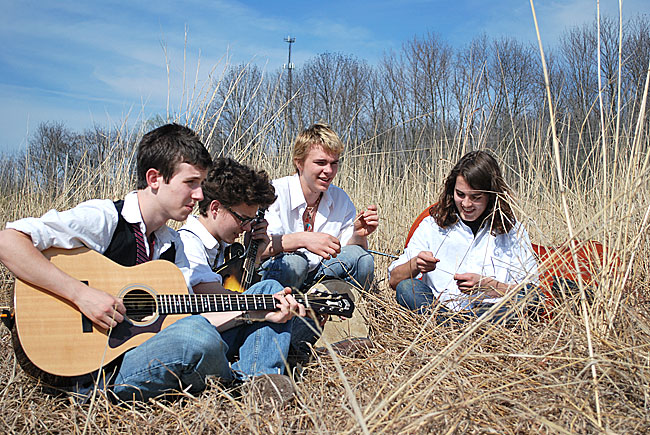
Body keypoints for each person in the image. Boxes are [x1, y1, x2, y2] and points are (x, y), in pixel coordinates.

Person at [0, 124, 303, 402]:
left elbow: (195, 309)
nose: (199, 195)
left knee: (268, 289)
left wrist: (255, 311)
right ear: (154, 179)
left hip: (152, 347)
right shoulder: (106, 218)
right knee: (197, 336)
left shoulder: (172, 243)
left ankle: (259, 382)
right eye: (191, 183)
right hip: (100, 370)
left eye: (200, 184)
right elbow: (8, 242)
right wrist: (81, 295)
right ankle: (236, 383)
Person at [178, 157, 306, 387]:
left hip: (220, 331)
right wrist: (265, 302)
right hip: (198, 338)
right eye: (243, 219)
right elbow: (216, 299)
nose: (246, 227)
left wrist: (254, 256)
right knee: (270, 290)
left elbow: (237, 293)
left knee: (274, 301)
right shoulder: (188, 243)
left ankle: (257, 376)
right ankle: (259, 380)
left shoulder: (223, 247)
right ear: (215, 208)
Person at [260, 122, 379, 358]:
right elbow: (261, 249)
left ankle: (351, 326)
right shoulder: (275, 193)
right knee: (296, 263)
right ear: (299, 162)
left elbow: (348, 254)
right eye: (320, 163)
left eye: (334, 163)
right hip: (284, 277)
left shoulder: (340, 198)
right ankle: (285, 337)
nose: (329, 171)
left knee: (362, 259)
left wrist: (359, 234)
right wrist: (304, 239)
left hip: (320, 275)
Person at [388, 150, 539, 322]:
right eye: (460, 194)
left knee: (520, 302)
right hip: (440, 310)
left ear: (491, 196)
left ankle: (455, 327)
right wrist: (416, 264)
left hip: (490, 314)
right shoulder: (432, 225)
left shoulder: (511, 229)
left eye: (476, 197)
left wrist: (489, 286)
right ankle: (451, 325)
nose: (466, 204)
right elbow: (394, 281)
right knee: (407, 288)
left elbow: (533, 294)